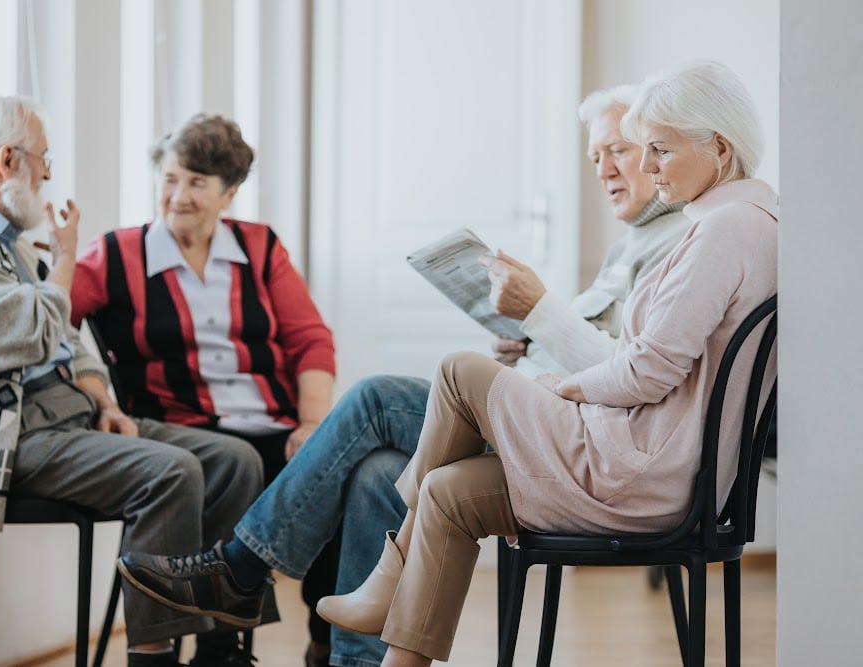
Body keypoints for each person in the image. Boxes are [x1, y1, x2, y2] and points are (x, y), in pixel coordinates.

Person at [111, 81, 690, 667]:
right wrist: (530, 342)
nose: (604, 169)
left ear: (656, 150)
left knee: (376, 400)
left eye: (618, 151)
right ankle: (354, 660)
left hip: (573, 441)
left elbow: (631, 375)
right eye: (595, 156)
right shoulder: (631, 244)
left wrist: (540, 309)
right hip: (545, 420)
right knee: (379, 472)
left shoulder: (677, 245)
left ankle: (242, 569)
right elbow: (601, 354)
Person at [321, 59, 778, 665]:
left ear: (718, 147)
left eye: (659, 150)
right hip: (664, 470)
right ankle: (394, 630)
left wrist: (567, 389)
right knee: (448, 491)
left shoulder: (724, 233)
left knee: (459, 372)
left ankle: (389, 575)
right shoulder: (752, 224)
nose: (646, 167)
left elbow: (646, 371)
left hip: (644, 473)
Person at [0, 96, 264, 667]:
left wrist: (104, 400)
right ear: (8, 160)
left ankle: (217, 651)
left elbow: (70, 340)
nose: (48, 175)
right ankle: (153, 659)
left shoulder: (3, 241)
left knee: (235, 462)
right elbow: (35, 331)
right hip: (10, 437)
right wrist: (66, 259)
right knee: (171, 472)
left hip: (68, 417)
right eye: (44, 160)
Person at [68, 114, 339, 666]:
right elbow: (51, 322)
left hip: (272, 425)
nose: (179, 195)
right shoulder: (116, 254)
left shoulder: (260, 249)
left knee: (341, 475)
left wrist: (311, 424)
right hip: (177, 429)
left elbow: (310, 340)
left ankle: (329, 639)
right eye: (170, 178)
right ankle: (221, 649)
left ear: (229, 192)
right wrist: (99, 397)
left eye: (197, 182)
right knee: (233, 461)